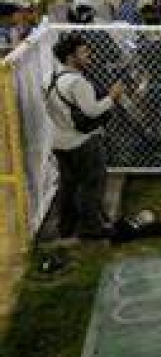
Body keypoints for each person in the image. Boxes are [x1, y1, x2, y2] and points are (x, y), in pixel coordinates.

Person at [45, 34, 126, 243]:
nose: (89, 56)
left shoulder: (52, 78)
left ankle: (66, 226)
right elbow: (92, 111)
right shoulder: (77, 82)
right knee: (91, 184)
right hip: (81, 141)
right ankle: (91, 227)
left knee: (68, 185)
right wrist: (112, 97)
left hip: (59, 141)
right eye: (83, 52)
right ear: (70, 57)